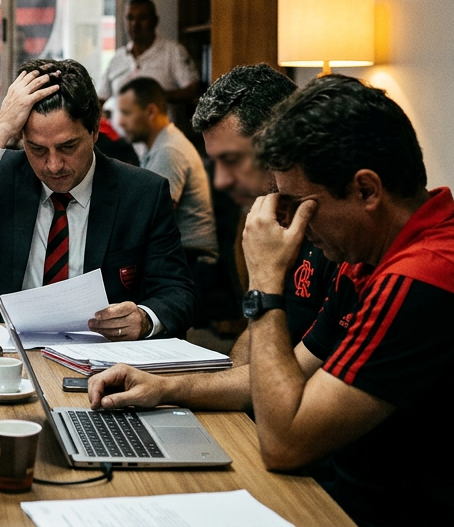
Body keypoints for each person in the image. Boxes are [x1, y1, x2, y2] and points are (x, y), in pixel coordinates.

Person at [247, 76, 454, 525]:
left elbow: (285, 443)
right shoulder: (369, 255)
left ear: (366, 190)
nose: (293, 225)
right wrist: (165, 386)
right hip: (371, 497)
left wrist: (263, 280)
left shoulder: (428, 276)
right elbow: (291, 375)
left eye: (301, 205)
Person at [87, 64, 339, 415]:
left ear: (282, 144)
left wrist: (168, 387)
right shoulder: (278, 223)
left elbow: (280, 387)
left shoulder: (335, 242)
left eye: (232, 160)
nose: (221, 181)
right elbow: (246, 364)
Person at [0, 59, 194, 338]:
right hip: (4, 352)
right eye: (37, 149)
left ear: (95, 130)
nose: (53, 165)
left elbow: (177, 293)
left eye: (67, 147)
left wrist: (145, 319)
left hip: (98, 358)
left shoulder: (142, 194)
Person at [116, 76, 218, 321]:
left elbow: (151, 220)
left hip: (190, 260)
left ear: (151, 111)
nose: (121, 122)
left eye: (127, 113)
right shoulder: (160, 146)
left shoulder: (168, 151)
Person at [97, 0, 201, 106]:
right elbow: (102, 97)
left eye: (142, 18)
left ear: (155, 21)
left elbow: (192, 90)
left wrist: (154, 97)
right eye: (130, 18)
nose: (135, 24)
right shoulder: (117, 57)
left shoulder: (173, 52)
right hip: (119, 122)